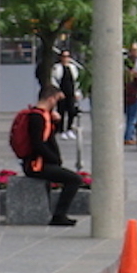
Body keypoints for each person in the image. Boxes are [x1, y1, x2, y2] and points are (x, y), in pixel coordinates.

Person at [8, 88, 82, 226]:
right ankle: (59, 215)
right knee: (74, 179)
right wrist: (54, 159)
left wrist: (56, 122)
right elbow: (38, 143)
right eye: (57, 100)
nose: (57, 104)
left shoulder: (43, 115)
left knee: (68, 178)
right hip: (36, 164)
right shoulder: (37, 117)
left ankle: (58, 214)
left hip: (38, 162)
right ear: (50, 99)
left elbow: (49, 138)